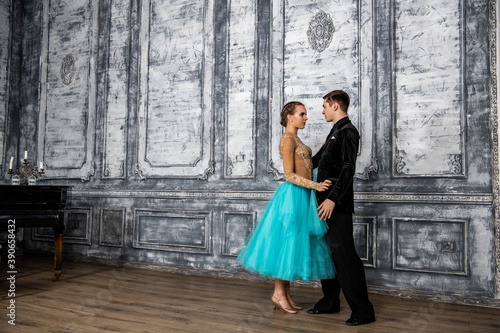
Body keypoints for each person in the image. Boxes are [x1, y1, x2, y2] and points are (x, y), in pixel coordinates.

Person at [237, 101, 336, 314]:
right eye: (302, 114)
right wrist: (315, 185)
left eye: (305, 114)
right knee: (286, 243)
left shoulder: (296, 138)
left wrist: (322, 152)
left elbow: (306, 166)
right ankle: (279, 294)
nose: (306, 118)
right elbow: (289, 175)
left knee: (292, 244)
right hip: (293, 196)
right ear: (290, 117)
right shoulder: (287, 139)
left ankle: (286, 294)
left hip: (302, 197)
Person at [307, 90, 376, 325]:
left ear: (335, 106)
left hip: (336, 204)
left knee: (345, 256)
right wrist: (292, 144)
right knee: (329, 255)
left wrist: (333, 199)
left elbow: (348, 169)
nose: (322, 110)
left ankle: (363, 311)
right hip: (322, 203)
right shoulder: (334, 132)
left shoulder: (348, 132)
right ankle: (330, 301)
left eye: (324, 106)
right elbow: (316, 162)